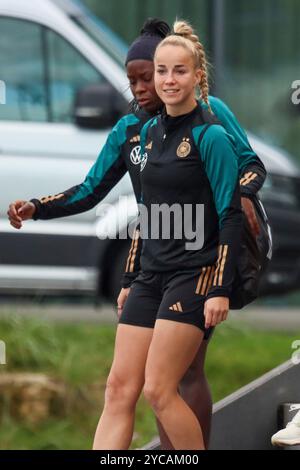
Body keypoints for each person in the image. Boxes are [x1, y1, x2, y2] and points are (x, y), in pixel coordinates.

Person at [7, 19, 266, 449]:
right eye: (143, 78)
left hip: (196, 268)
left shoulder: (211, 125)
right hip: (151, 269)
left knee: (175, 379)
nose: (152, 85)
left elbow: (243, 181)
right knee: (121, 388)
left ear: (194, 76)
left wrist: (239, 200)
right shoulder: (137, 132)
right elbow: (128, 205)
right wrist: (39, 207)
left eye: (163, 72)